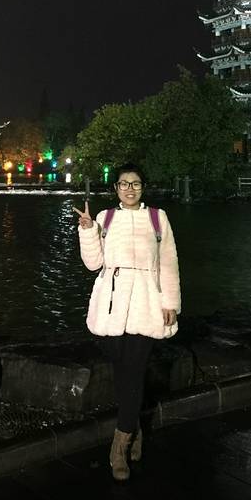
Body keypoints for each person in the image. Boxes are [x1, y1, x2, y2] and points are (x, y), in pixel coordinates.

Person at [73, 162, 181, 481]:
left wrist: (171, 303)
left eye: (135, 183)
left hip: (147, 303)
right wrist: (87, 230)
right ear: (116, 188)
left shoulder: (157, 218)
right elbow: (93, 264)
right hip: (111, 305)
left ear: (143, 187)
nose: (129, 189)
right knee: (123, 372)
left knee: (133, 370)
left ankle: (118, 446)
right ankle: (134, 427)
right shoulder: (105, 218)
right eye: (124, 184)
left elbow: (169, 262)